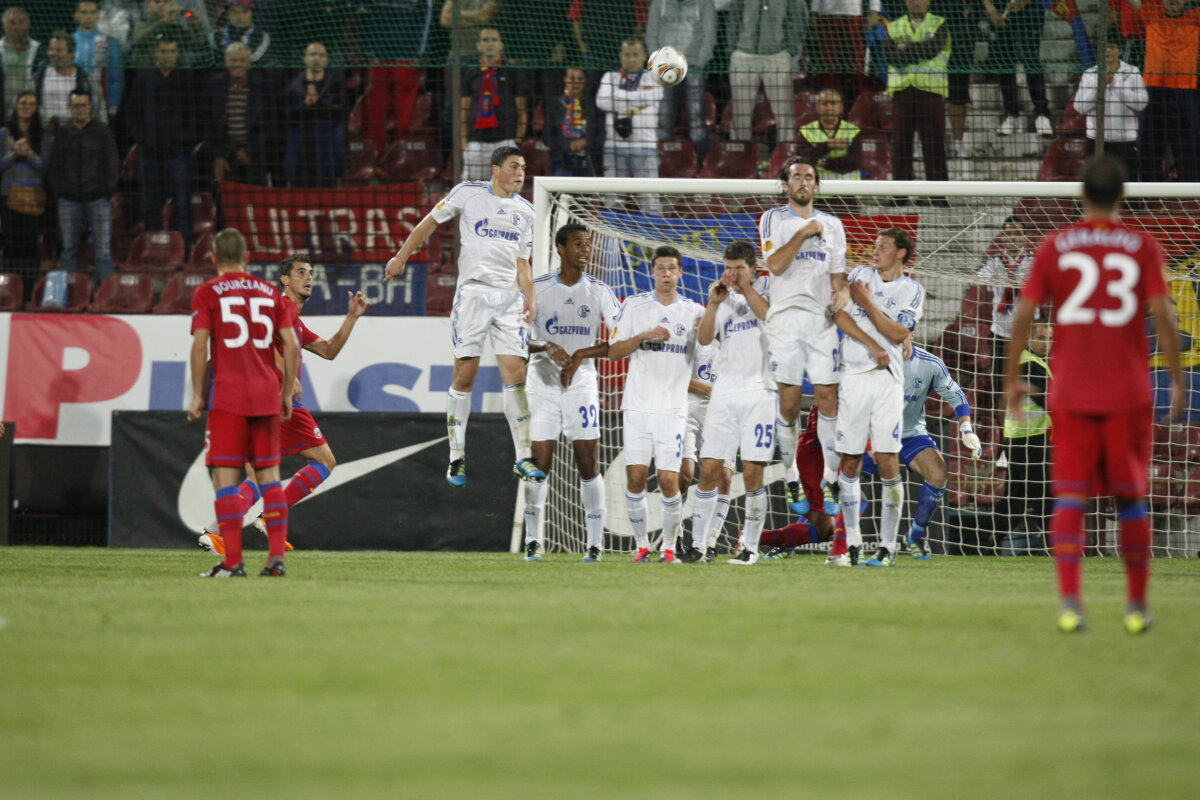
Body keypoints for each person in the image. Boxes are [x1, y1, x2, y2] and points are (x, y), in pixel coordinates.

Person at [1003, 154, 1183, 634]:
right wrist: (1178, 377)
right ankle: (1136, 607)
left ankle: (1070, 604)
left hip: (1072, 390)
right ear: (1123, 196)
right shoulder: (1142, 245)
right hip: (1127, 390)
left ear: (1081, 195)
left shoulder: (1055, 245)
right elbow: (1163, 315)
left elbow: (1023, 316)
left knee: (1070, 497)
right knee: (1130, 498)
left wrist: (1010, 379)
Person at [384, 145, 543, 486]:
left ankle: (523, 457)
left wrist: (531, 297)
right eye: (514, 167)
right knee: (464, 375)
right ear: (495, 169)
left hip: (509, 300)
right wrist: (401, 257)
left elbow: (522, 264)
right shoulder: (468, 193)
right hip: (473, 294)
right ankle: (456, 457)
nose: (520, 173)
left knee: (516, 374)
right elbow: (428, 224)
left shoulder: (526, 212)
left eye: (524, 168)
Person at [198, 254, 371, 556]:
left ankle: (215, 533)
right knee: (323, 460)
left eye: (311, 273)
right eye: (301, 272)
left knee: (257, 475)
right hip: (276, 398)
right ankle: (265, 519)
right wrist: (287, 376)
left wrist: (352, 317)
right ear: (285, 280)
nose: (308, 278)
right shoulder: (283, 307)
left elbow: (329, 351)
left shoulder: (293, 318)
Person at [765, 343, 982, 562]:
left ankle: (915, 534)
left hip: (908, 433)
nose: (897, 338)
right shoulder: (870, 359)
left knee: (938, 474)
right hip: (868, 433)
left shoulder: (929, 364)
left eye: (902, 332)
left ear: (912, 333)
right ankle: (793, 540)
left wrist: (966, 428)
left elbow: (957, 396)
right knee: (837, 506)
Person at [188, 228, 300, 578]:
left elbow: (199, 346)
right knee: (270, 478)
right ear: (248, 257)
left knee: (226, 480)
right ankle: (275, 561)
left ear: (213, 259)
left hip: (229, 398)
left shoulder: (207, 292)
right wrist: (285, 393)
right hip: (266, 395)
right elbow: (293, 346)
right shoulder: (270, 293)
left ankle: (233, 564)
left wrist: (196, 394)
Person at [521, 223, 621, 562]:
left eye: (588, 244)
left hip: (582, 383)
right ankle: (533, 541)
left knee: (587, 461)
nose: (586, 249)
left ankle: (595, 544)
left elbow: (620, 342)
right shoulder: (536, 289)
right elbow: (513, 339)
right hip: (542, 382)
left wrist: (581, 355)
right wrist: (544, 346)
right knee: (539, 464)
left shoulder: (599, 291)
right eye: (578, 243)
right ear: (560, 248)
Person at [759, 156, 848, 523]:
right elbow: (774, 266)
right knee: (790, 403)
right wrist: (803, 233)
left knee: (829, 398)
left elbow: (838, 278)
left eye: (809, 177)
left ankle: (830, 480)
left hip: (821, 323)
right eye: (796, 177)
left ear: (817, 185)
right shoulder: (774, 219)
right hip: (784, 322)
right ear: (785, 184)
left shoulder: (834, 225)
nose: (803, 182)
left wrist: (841, 294)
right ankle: (791, 476)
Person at [832, 227, 925, 567]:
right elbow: (839, 314)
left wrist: (867, 302)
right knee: (851, 461)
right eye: (875, 245)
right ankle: (853, 541)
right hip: (854, 376)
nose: (876, 250)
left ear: (901, 253)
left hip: (887, 381)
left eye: (884, 246)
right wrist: (871, 344)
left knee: (887, 461)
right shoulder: (859, 275)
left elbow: (899, 333)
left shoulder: (912, 290)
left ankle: (887, 546)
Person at [607, 245, 704, 563]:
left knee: (667, 479)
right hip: (636, 406)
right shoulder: (635, 306)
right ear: (652, 272)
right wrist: (643, 336)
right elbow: (614, 351)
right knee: (635, 477)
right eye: (660, 268)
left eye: (671, 268)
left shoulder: (694, 312)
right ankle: (641, 547)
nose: (666, 273)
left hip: (673, 409)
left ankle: (670, 549)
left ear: (680, 273)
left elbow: (708, 344)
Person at [680, 241, 774, 565]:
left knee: (751, 473)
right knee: (709, 470)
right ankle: (700, 545)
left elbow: (771, 317)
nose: (732, 274)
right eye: (728, 268)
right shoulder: (724, 300)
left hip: (760, 392)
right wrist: (712, 304)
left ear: (753, 270)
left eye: (739, 269)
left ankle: (750, 547)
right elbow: (705, 338)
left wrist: (746, 289)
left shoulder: (768, 291)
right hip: (724, 392)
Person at [126, 35, 199, 242]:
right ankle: (153, 248)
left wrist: (184, 139)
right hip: (149, 154)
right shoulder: (144, 78)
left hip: (179, 154)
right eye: (164, 51)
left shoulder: (187, 78)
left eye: (172, 51)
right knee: (150, 204)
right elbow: (132, 113)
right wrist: (143, 139)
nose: (168, 56)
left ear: (178, 54)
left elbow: (196, 114)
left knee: (182, 203)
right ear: (156, 53)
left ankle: (183, 249)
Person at [47, 89, 118, 284]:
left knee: (102, 250)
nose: (79, 109)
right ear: (69, 108)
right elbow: (55, 165)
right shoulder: (63, 133)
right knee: (69, 250)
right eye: (75, 106)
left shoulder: (102, 131)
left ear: (90, 107)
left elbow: (112, 163)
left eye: (83, 105)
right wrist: (60, 192)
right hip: (68, 199)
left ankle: (105, 294)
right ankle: (71, 293)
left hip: (98, 199)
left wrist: (106, 190)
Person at [882, 0, 949, 191]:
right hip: (901, 92)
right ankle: (900, 194)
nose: (916, 3)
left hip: (930, 91)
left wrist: (906, 47)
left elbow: (933, 50)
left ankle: (938, 194)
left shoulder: (940, 23)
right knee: (901, 144)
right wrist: (918, 48)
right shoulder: (893, 26)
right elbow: (890, 56)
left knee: (934, 144)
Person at [998, 319, 1052, 554]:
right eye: (1041, 338)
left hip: (1020, 437)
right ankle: (1057, 546)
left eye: (1050, 338)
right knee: (1043, 493)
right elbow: (1050, 400)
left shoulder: (1031, 362)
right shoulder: (1030, 365)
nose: (1046, 344)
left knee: (1015, 499)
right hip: (1030, 439)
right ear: (1029, 338)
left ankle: (988, 542)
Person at [1133, 0, 1200, 182]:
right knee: (1149, 148)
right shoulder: (1151, 15)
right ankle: (1149, 200)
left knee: (1189, 151)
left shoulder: (1195, 18)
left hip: (1184, 92)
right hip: (1154, 91)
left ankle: (1192, 201)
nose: (1173, 1)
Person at [595, 37, 662, 214]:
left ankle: (653, 239)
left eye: (635, 54)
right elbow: (602, 102)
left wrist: (616, 97)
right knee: (612, 200)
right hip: (614, 146)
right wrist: (637, 99)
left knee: (650, 200)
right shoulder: (610, 76)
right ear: (620, 56)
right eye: (627, 55)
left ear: (644, 57)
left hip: (645, 146)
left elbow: (651, 98)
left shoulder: (654, 77)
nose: (631, 59)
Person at [358, 0, 434, 154]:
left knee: (405, 109)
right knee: (376, 107)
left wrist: (418, 54)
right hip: (377, 55)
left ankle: (401, 153)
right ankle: (376, 154)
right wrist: (367, 49)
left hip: (406, 56)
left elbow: (426, 18)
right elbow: (362, 14)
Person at [726, 0, 805, 147]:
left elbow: (798, 19)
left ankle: (785, 157)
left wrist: (790, 50)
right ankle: (741, 157)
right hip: (744, 55)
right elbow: (733, 18)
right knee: (740, 113)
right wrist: (733, 50)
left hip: (777, 56)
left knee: (784, 113)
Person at [646, 0, 714, 161]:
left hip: (694, 68)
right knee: (663, 119)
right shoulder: (659, 4)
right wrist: (657, 62)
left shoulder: (704, 4)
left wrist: (700, 62)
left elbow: (709, 33)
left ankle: (701, 165)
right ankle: (663, 163)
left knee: (697, 122)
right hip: (664, 68)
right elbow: (651, 34)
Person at [460, 27, 528, 182]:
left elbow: (522, 110)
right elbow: (463, 109)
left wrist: (517, 140)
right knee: (472, 191)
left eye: (494, 40)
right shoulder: (470, 73)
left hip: (505, 140)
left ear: (501, 45)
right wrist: (464, 141)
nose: (489, 44)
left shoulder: (512, 72)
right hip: (476, 142)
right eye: (485, 40)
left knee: (507, 189)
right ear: (478, 45)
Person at [1073, 37, 1146, 180]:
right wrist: (1099, 85)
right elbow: (1080, 107)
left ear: (1119, 50)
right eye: (1104, 47)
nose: (1107, 51)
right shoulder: (1090, 74)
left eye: (1112, 46)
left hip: (1125, 141)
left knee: (1128, 186)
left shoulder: (1132, 72)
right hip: (1096, 140)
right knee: (1095, 183)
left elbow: (1140, 103)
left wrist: (1114, 84)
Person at [0, 91, 50, 294]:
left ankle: (29, 292)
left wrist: (28, 154)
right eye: (23, 103)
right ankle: (10, 291)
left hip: (32, 198)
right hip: (8, 196)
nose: (27, 106)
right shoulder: (4, 134)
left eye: (31, 103)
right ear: (16, 106)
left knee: (30, 247)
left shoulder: (44, 135)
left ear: (37, 107)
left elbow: (46, 167)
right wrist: (13, 155)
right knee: (10, 247)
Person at [976, 215, 1034, 392]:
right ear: (1001, 238)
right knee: (1000, 383)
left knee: (1030, 378)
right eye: (1008, 233)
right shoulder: (994, 261)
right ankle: (1001, 419)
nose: (1013, 237)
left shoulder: (1034, 261)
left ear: (1025, 237)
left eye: (1017, 233)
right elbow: (978, 278)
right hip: (1000, 331)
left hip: (1028, 330)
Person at [982, 0, 1053, 138]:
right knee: (1005, 62)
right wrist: (992, 11)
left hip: (1030, 10)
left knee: (1031, 60)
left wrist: (1023, 2)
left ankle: (1042, 114)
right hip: (1001, 11)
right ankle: (1012, 114)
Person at [207, 42, 276, 185]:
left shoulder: (263, 86)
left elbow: (269, 125)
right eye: (233, 60)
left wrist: (249, 150)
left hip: (255, 157)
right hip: (226, 156)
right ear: (226, 62)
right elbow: (209, 125)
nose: (237, 64)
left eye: (242, 60)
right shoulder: (215, 85)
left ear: (249, 63)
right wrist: (218, 155)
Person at [282, 41, 346, 188]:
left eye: (321, 55)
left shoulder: (336, 85)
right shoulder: (293, 87)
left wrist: (318, 104)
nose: (316, 58)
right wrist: (305, 106)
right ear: (304, 59)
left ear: (327, 59)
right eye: (312, 54)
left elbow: (341, 114)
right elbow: (286, 117)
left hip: (327, 158)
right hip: (299, 158)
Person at [810, 1, 882, 103]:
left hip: (853, 15)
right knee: (829, 66)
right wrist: (814, 11)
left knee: (855, 67)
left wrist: (874, 11)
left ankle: (855, 107)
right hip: (826, 15)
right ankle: (831, 106)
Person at [543, 66, 603, 177]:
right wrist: (568, 145)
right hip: (561, 163)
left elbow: (601, 135)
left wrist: (586, 142)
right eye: (572, 78)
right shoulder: (555, 105)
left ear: (585, 81)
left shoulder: (592, 106)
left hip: (588, 163)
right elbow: (547, 137)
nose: (576, 83)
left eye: (580, 79)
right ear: (565, 79)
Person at [35, 31, 100, 129]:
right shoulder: (39, 76)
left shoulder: (86, 79)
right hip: (46, 133)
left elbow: (99, 110)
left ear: (72, 53)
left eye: (59, 50)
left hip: (77, 134)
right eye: (51, 49)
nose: (53, 53)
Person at [796, 88, 863, 181]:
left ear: (840, 107)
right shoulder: (806, 131)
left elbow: (855, 162)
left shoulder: (853, 130)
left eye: (833, 103)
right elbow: (802, 159)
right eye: (824, 104)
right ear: (817, 107)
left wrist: (823, 162)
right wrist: (828, 145)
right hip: (818, 191)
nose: (829, 107)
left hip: (848, 191)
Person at [73, 0, 124, 121]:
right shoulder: (70, 41)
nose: (88, 16)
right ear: (76, 15)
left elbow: (116, 75)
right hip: (73, 100)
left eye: (92, 12)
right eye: (84, 12)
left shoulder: (109, 42)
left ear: (98, 16)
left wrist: (114, 103)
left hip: (100, 100)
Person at [0, 7, 42, 123]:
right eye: (12, 22)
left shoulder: (39, 50)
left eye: (21, 22)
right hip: (2, 115)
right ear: (4, 26)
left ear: (28, 25)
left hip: (31, 116)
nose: (17, 27)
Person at [217, 1, 277, 66]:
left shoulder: (261, 37)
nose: (239, 16)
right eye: (234, 11)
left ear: (252, 13)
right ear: (227, 14)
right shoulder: (216, 37)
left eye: (244, 11)